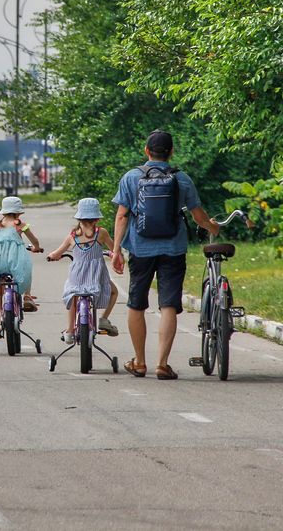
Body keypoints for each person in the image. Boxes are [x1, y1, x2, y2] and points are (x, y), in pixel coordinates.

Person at [111, 130, 220, 380]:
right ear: (171, 152)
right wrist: (213, 228)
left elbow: (121, 216)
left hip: (140, 248)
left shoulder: (131, 177)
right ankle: (162, 364)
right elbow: (198, 216)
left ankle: (139, 362)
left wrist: (116, 250)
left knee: (136, 303)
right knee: (168, 303)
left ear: (146, 151)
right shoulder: (182, 179)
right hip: (173, 249)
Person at [46, 198, 119, 343]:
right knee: (114, 291)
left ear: (79, 217)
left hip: (77, 276)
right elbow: (114, 249)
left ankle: (70, 330)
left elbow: (57, 252)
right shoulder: (101, 233)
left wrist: (52, 256)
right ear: (97, 219)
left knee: (74, 296)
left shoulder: (72, 236)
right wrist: (113, 255)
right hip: (97, 276)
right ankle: (104, 319)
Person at [0, 196, 43, 336]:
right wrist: (36, 247)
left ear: (3, 212)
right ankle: (27, 296)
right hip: (15, 259)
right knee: (25, 269)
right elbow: (34, 240)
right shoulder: (20, 225)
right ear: (18, 212)